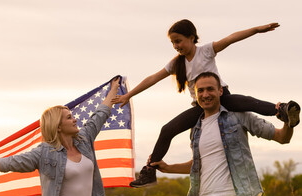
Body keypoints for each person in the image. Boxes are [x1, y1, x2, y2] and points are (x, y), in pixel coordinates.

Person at [113, 19, 300, 187]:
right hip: (200, 106)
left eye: (178, 41)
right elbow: (153, 78)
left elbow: (231, 38)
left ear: (192, 37)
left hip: (222, 97)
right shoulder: (177, 63)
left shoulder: (206, 51)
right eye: (172, 43)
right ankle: (149, 171)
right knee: (167, 130)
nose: (176, 46)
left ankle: (281, 110)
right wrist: (129, 95)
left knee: (247, 102)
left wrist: (257, 30)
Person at [151, 72, 293, 196]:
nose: (205, 94)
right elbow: (198, 164)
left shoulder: (239, 116)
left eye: (210, 89)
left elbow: (282, 138)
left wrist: (289, 122)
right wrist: (168, 168)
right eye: (201, 91)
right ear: (195, 95)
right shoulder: (195, 127)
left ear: (220, 91)